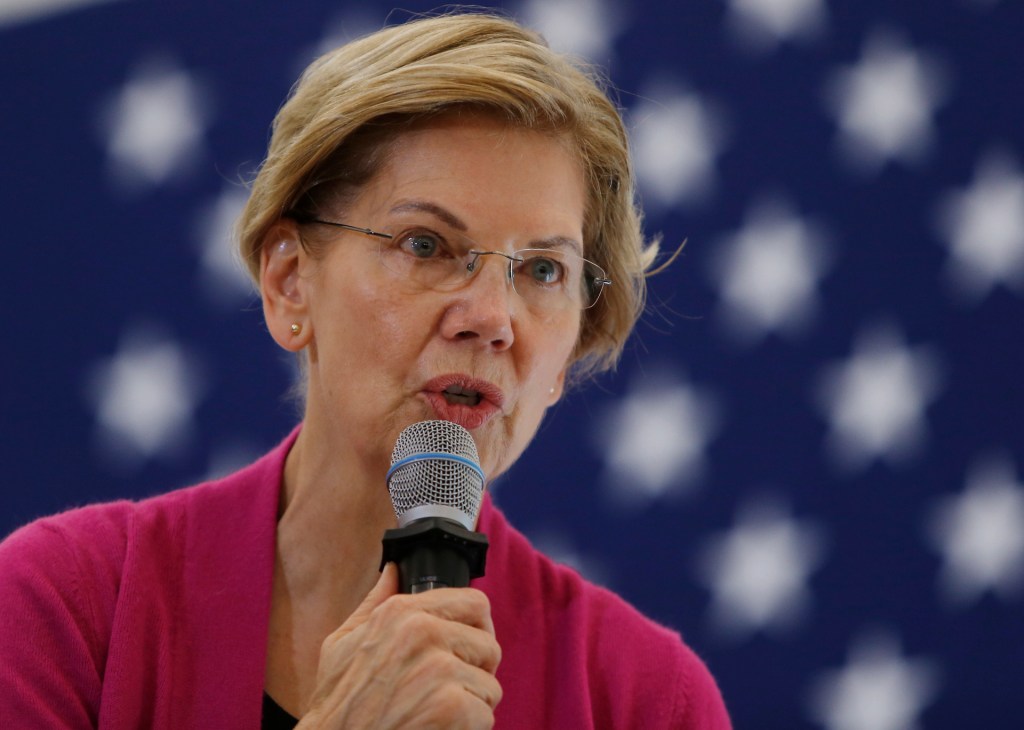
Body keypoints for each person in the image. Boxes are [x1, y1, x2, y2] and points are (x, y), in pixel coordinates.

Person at [0, 11, 731, 729]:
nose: (492, 317)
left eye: (544, 270)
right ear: (291, 282)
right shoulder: (64, 607)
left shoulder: (644, 701)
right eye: (426, 245)